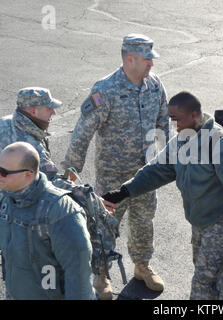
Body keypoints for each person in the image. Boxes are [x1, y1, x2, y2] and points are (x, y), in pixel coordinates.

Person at [101, 91, 223, 299]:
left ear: (194, 115)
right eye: (171, 119)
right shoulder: (182, 141)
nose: (174, 125)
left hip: (222, 225)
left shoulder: (222, 145)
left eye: (177, 119)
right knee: (212, 278)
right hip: (200, 223)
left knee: (203, 281)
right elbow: (159, 169)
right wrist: (124, 191)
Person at [61, 33, 169, 293]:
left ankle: (142, 266)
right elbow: (82, 133)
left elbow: (163, 123)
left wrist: (167, 161)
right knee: (106, 226)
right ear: (130, 59)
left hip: (146, 174)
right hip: (112, 176)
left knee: (144, 222)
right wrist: (70, 172)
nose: (151, 64)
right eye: (147, 59)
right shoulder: (105, 89)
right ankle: (101, 276)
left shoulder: (154, 86)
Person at [0, 87, 118, 300]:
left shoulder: (6, 123)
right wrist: (91, 198)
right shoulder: (30, 143)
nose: (53, 113)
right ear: (34, 111)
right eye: (49, 108)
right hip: (19, 211)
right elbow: (49, 184)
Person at [0, 142, 95, 299]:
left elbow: (78, 276)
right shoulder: (7, 198)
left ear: (28, 174)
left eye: (3, 172)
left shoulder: (62, 212)